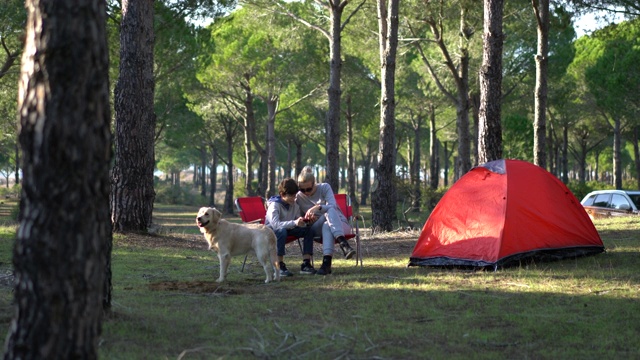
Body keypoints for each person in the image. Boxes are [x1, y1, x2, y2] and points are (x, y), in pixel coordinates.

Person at [296, 165, 356, 275]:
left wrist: (318, 207)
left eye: (308, 189)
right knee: (327, 216)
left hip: (340, 224)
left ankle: (326, 264)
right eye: (302, 190)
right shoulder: (299, 197)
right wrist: (307, 220)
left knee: (327, 220)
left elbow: (332, 206)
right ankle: (344, 244)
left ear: (315, 183)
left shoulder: (324, 187)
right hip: (315, 227)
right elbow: (297, 216)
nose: (306, 192)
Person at [265, 178, 317, 276]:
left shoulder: (294, 204)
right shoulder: (274, 206)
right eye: (291, 196)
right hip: (271, 232)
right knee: (281, 231)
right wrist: (295, 222)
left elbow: (297, 219)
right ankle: (279, 265)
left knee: (308, 230)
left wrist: (305, 222)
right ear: (282, 195)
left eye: (295, 195)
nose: (294, 198)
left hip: (288, 229)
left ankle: (306, 263)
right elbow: (275, 225)